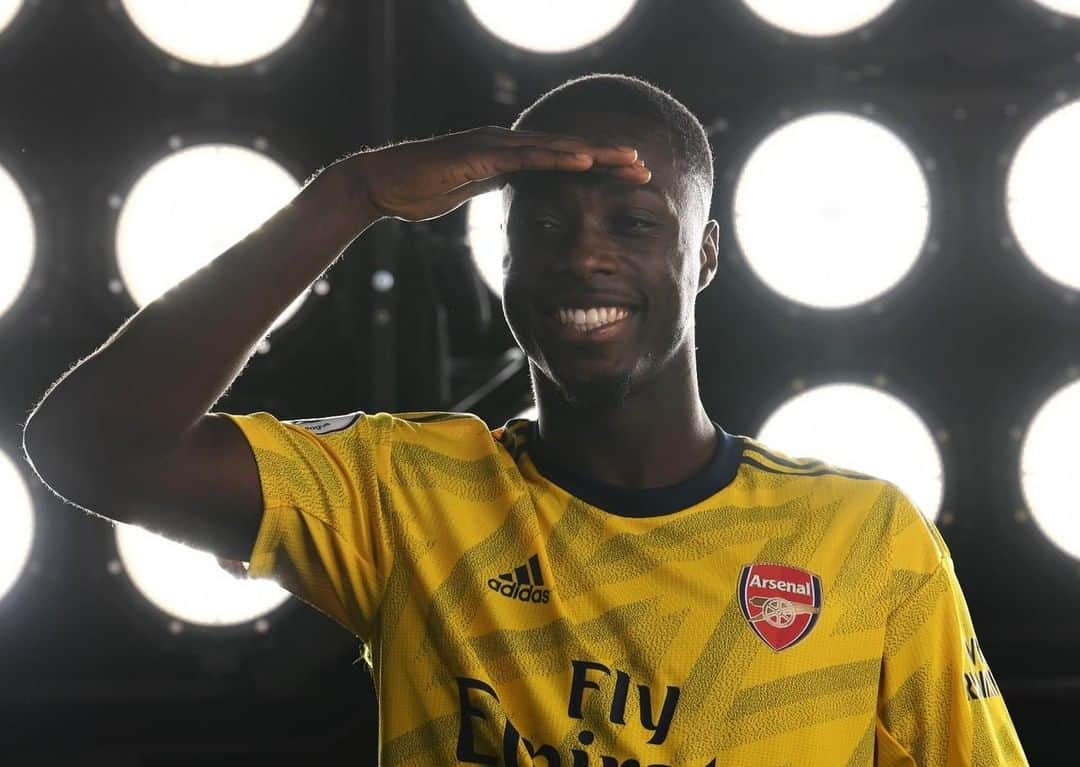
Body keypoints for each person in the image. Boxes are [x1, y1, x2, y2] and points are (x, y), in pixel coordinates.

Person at [22, 73, 1027, 766]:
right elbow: (90, 443)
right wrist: (352, 194)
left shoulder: (864, 538)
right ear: (497, 254)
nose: (582, 255)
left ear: (705, 255)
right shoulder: (404, 496)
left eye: (634, 224)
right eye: (543, 224)